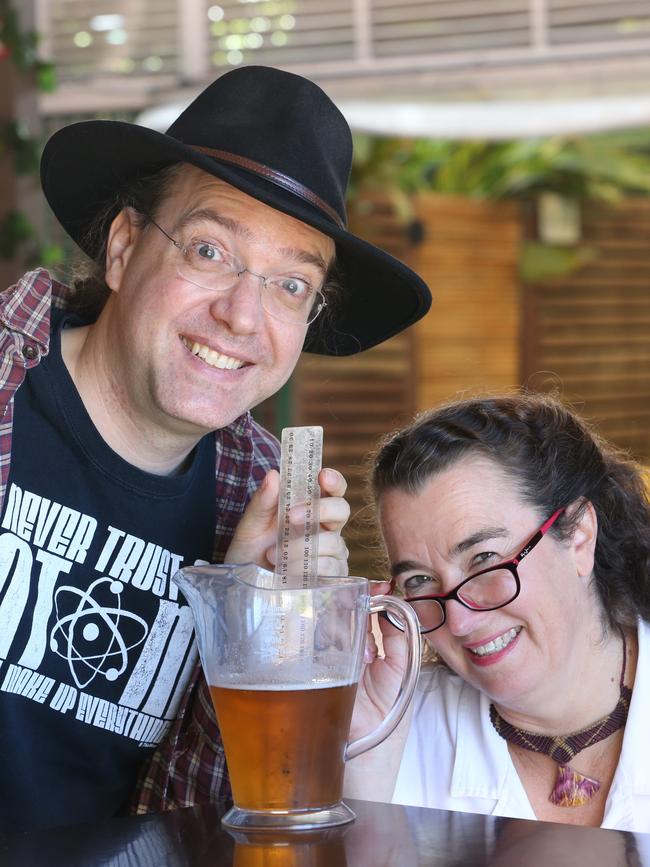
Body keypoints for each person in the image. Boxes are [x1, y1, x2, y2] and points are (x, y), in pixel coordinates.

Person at [0, 65, 431, 831]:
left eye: (291, 286)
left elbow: (221, 813)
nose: (242, 315)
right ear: (125, 245)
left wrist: (270, 627)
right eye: (209, 251)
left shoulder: (263, 509)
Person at [344, 392, 650, 832]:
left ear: (579, 537)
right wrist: (367, 771)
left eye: (485, 559)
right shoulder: (388, 734)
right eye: (419, 581)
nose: (460, 621)